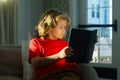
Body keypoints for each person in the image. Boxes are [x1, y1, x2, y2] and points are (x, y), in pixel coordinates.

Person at [28, 8, 98, 80]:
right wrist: (59, 56)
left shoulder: (67, 44)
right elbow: (35, 63)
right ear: (48, 27)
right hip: (49, 75)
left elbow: (80, 59)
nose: (64, 30)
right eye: (61, 27)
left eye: (65, 27)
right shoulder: (36, 42)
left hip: (69, 73)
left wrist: (90, 44)